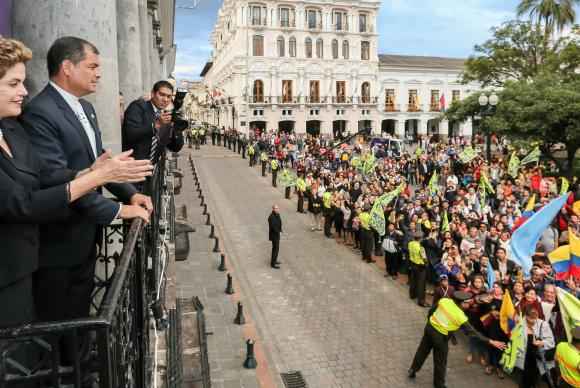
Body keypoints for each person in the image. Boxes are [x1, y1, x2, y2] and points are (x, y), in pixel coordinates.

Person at [0, 36, 152, 330]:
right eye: (13, 84)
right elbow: (26, 199)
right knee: (51, 336)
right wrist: (115, 207)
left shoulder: (84, 109)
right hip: (51, 246)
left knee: (74, 328)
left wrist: (125, 191)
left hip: (57, 249)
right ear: (68, 67)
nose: (24, 91)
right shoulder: (38, 112)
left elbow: (53, 175)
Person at [408, 291, 507, 388]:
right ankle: (439, 385)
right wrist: (491, 341)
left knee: (422, 351)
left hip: (429, 329)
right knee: (440, 361)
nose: (469, 305)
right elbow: (473, 333)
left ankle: (413, 370)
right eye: (468, 303)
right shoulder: (460, 316)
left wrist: (431, 323)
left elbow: (431, 312)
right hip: (441, 337)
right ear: (463, 304)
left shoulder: (445, 300)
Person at [122, 80, 184, 165]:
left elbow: (175, 147)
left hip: (152, 170)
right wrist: (156, 125)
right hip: (133, 168)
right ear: (153, 94)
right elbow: (131, 134)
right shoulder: (138, 107)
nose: (165, 99)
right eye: (161, 95)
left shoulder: (167, 116)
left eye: (169, 97)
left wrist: (177, 128)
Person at [268, 204, 282, 269]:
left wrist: (280, 230)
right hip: (274, 235)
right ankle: (273, 264)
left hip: (277, 234)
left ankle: (274, 260)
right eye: (276, 208)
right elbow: (273, 227)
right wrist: (278, 231)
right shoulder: (271, 217)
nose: (277, 209)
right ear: (273, 209)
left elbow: (279, 222)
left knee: (276, 249)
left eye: (277, 208)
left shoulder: (277, 214)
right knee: (275, 249)